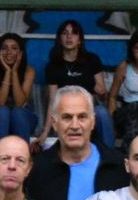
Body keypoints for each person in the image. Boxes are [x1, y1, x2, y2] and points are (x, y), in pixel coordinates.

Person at [38, 20, 115, 149]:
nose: (69, 37)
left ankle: (111, 156)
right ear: (60, 39)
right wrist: (45, 132)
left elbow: (103, 95)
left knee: (101, 112)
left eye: (74, 33)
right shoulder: (53, 66)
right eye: (65, 33)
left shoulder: (92, 60)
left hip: (87, 110)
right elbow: (52, 100)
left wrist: (100, 91)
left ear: (79, 40)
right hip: (65, 111)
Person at [0, 32, 36, 142]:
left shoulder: (29, 71)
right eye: (4, 48)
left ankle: (23, 157)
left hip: (23, 117)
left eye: (14, 48)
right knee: (2, 111)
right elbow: (0, 103)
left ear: (20, 53)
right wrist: (8, 72)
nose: (9, 52)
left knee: (17, 112)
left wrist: (15, 72)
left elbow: (19, 103)